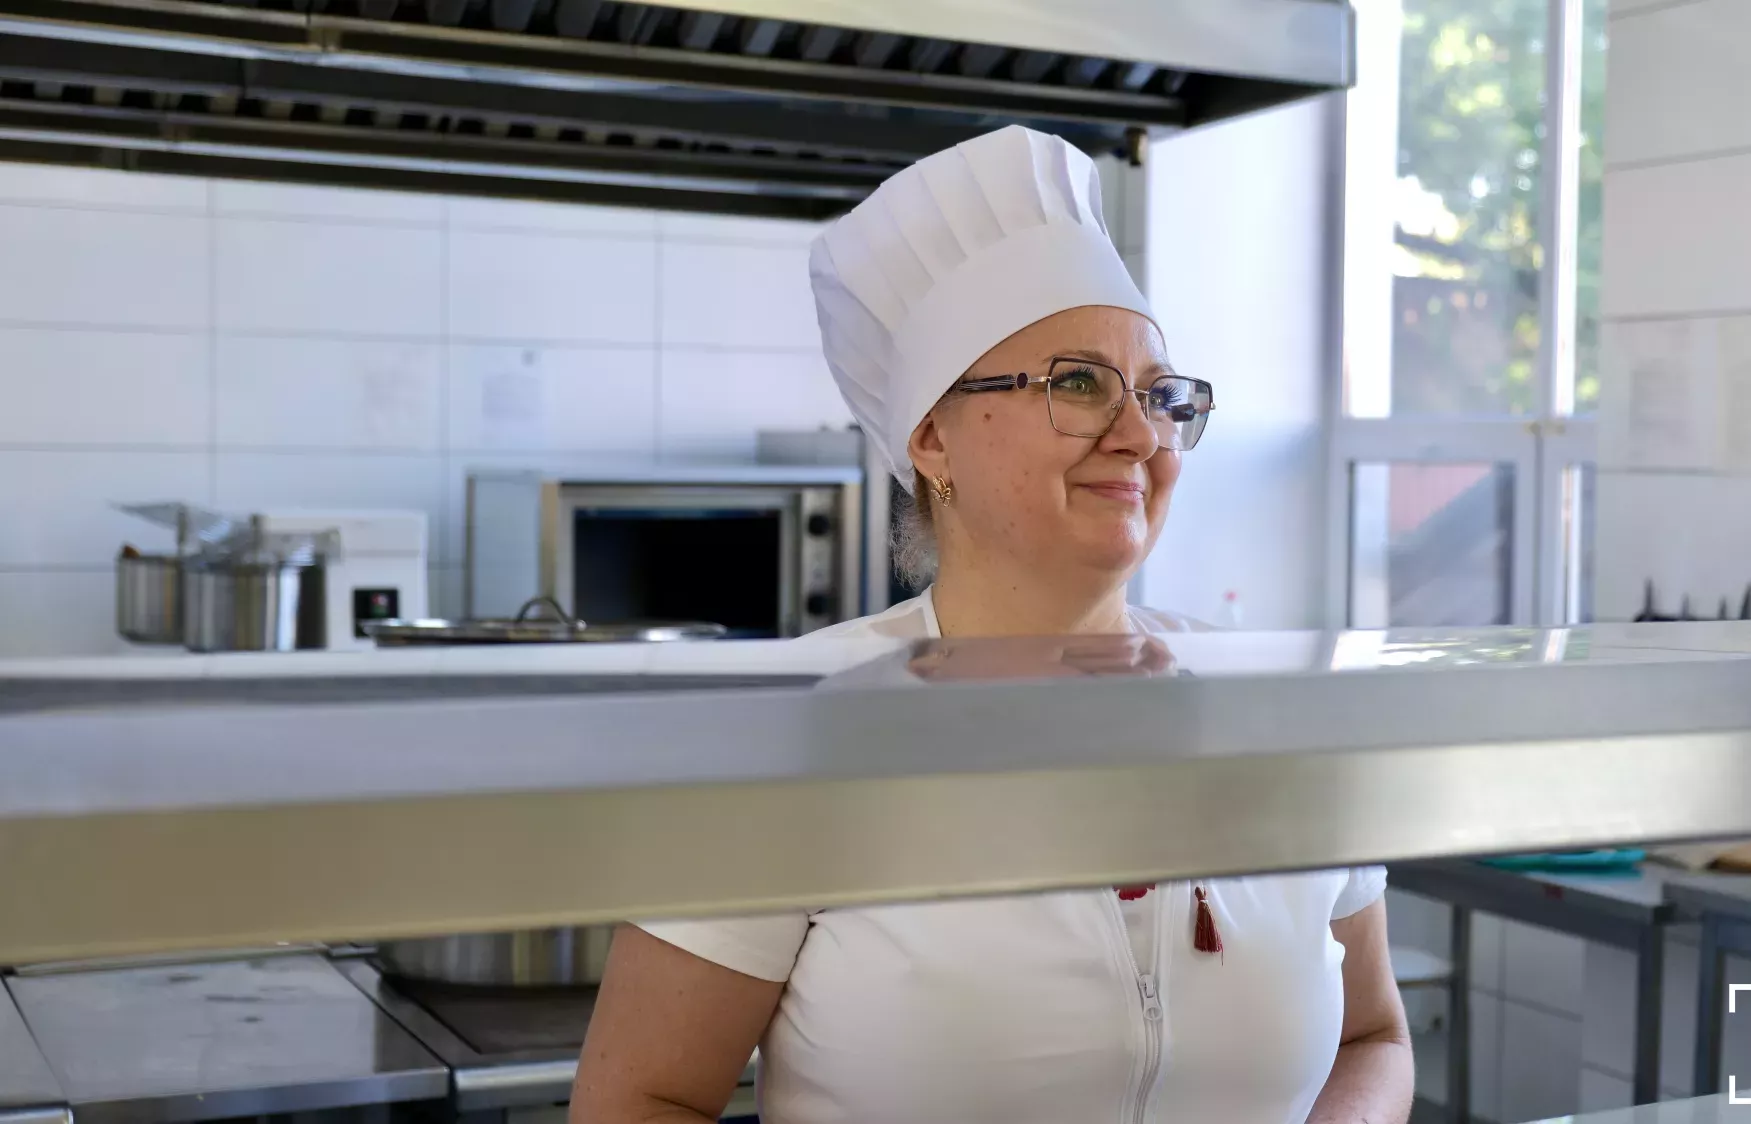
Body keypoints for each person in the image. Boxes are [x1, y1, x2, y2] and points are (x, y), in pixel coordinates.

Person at [571, 124, 1412, 1124]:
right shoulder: (790, 729)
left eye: (1158, 394)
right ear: (932, 436)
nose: (1139, 435)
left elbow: (1372, 1038)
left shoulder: (1278, 708)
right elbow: (642, 1098)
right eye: (1077, 383)